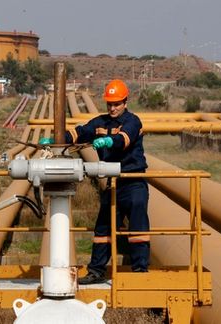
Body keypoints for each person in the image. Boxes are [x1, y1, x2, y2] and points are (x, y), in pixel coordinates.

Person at [66, 79, 150, 285]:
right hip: (113, 184)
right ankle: (96, 271)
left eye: (117, 104)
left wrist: (108, 141)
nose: (113, 108)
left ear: (125, 102)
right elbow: (81, 132)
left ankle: (140, 270)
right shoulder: (100, 122)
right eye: (110, 104)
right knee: (103, 227)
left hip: (133, 181)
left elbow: (124, 139)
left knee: (137, 226)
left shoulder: (133, 121)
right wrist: (58, 138)